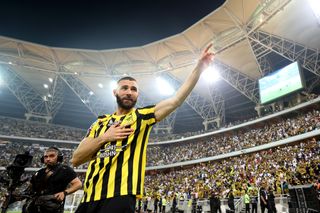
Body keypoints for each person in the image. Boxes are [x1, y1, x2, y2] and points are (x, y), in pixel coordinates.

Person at [71, 44, 215, 213]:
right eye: (124, 88)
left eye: (133, 89)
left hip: (120, 195)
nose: (129, 92)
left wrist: (199, 68)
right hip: (89, 196)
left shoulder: (141, 116)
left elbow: (175, 100)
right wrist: (104, 137)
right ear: (115, 92)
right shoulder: (99, 123)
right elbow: (76, 159)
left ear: (138, 95)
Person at [23, 147, 82, 213]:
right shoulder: (39, 172)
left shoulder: (65, 170)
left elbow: (78, 184)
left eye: (52, 156)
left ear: (59, 158)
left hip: (53, 208)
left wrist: (64, 193)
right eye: (46, 157)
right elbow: (30, 189)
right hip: (35, 208)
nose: (48, 159)